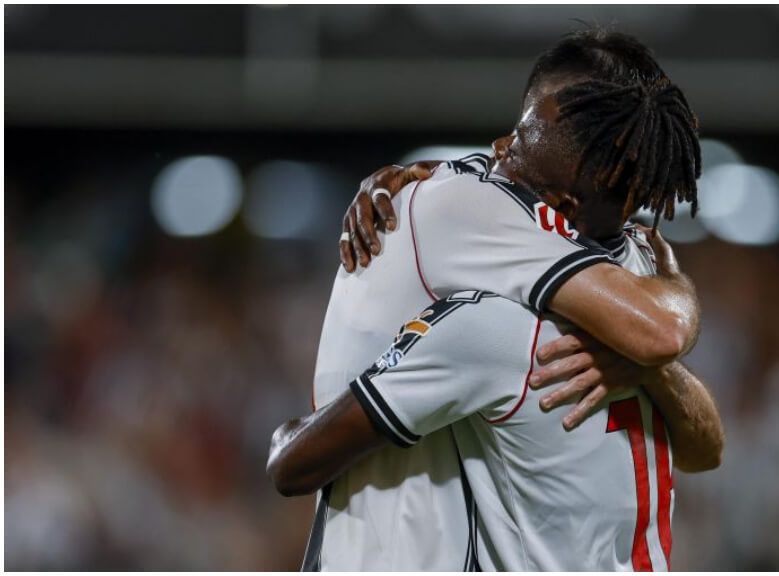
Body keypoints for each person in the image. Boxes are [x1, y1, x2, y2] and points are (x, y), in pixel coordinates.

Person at [268, 29, 722, 570]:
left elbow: (700, 433)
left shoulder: (499, 317)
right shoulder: (625, 272)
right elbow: (677, 371)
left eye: (521, 150)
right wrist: (671, 292)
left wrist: (652, 366)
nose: (500, 153)